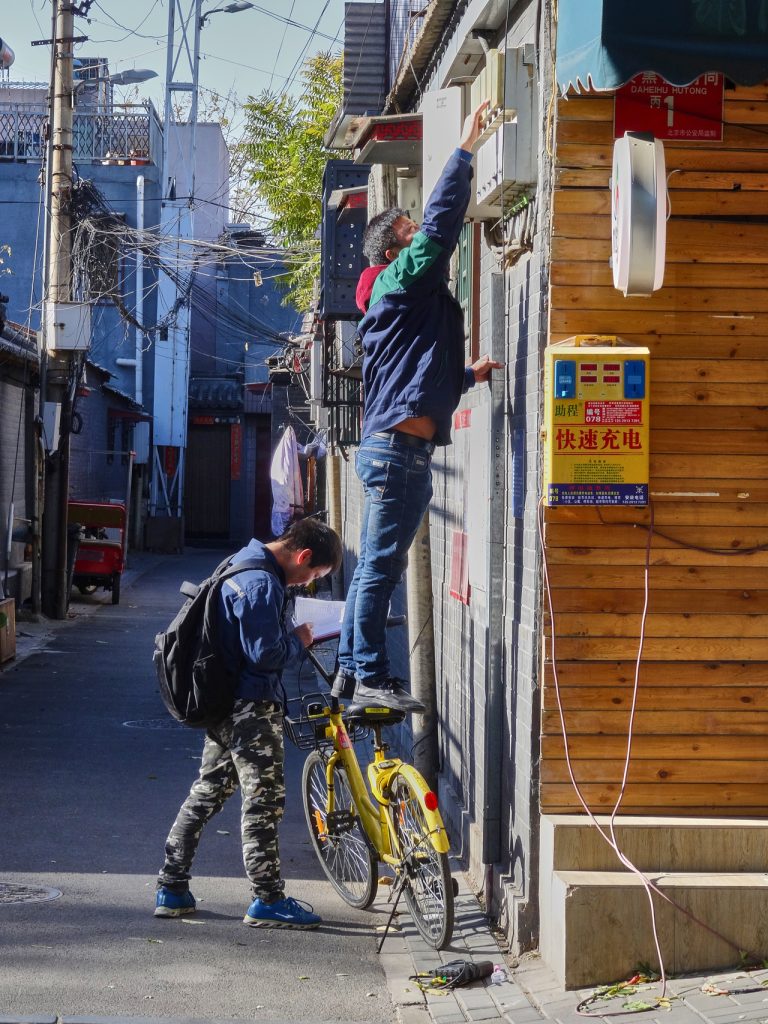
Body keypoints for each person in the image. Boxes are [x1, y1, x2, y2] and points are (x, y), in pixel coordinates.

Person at [332, 100, 503, 714]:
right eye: (407, 230)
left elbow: (411, 375)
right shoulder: (401, 280)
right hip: (398, 454)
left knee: (374, 567)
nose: (419, 235)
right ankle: (370, 675)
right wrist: (463, 151)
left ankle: (352, 673)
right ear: (392, 249)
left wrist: (467, 374)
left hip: (394, 450)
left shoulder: (393, 303)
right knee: (379, 567)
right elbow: (440, 226)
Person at [154, 518, 342, 929]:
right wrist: (301, 640)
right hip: (250, 706)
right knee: (265, 802)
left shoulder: (240, 561)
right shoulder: (262, 584)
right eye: (312, 575)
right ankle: (268, 899)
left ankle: (172, 887)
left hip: (223, 701)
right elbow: (266, 654)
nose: (305, 583)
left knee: (207, 792)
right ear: (303, 555)